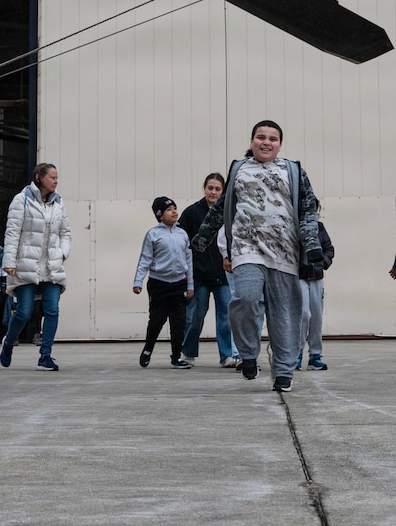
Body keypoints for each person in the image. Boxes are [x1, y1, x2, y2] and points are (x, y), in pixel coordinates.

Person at [191, 120, 326, 393]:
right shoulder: (239, 169)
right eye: (261, 137)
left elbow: (308, 208)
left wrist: (311, 244)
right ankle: (249, 352)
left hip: (284, 253)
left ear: (280, 144)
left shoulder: (293, 170)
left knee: (284, 315)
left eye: (272, 138)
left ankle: (284, 371)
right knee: (245, 299)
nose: (266, 142)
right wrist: (204, 236)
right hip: (246, 248)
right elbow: (223, 207)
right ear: (252, 141)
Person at [0, 162, 72, 371]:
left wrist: (62, 252)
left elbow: (66, 233)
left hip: (51, 266)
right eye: (52, 177)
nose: (56, 181)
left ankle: (45, 356)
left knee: (52, 309)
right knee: (23, 311)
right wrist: (9, 262)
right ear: (39, 178)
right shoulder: (21, 200)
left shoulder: (58, 203)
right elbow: (12, 232)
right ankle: (8, 343)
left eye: (57, 178)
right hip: (26, 264)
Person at [179, 173, 241, 367]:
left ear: (223, 191)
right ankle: (187, 353)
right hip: (199, 276)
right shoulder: (191, 213)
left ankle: (227, 356)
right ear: (204, 188)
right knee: (194, 316)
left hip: (224, 276)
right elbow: (182, 242)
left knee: (226, 317)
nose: (213, 192)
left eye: (217, 189)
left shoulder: (231, 212)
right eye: (210, 188)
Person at [134, 196, 195, 368]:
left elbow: (188, 260)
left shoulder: (182, 234)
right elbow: (145, 259)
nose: (174, 211)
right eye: (169, 210)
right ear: (160, 215)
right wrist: (138, 281)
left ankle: (176, 356)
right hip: (158, 283)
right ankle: (148, 348)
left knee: (179, 321)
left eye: (175, 208)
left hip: (179, 283)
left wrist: (190, 285)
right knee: (157, 319)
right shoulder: (153, 234)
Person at [298, 217, 335, 371]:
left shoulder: (319, 227)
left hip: (316, 277)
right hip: (299, 277)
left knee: (317, 316)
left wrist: (323, 263)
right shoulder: (293, 226)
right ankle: (296, 354)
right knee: (304, 314)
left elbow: (329, 250)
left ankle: (315, 356)